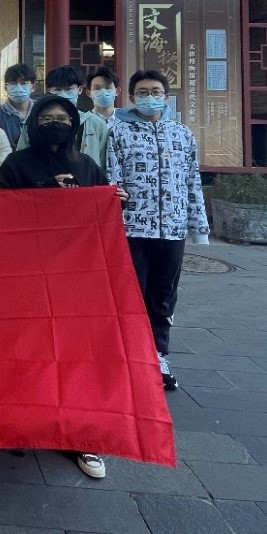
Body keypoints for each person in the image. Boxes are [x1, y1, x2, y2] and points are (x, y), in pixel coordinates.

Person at [0, 93, 127, 481]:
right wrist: (46, 199)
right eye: (47, 117)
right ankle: (23, 423)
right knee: (27, 351)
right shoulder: (16, 164)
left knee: (75, 356)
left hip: (77, 280)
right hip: (28, 276)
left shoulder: (86, 166)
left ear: (74, 125)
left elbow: (100, 218)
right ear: (35, 122)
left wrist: (114, 201)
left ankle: (80, 434)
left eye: (63, 117)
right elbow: (3, 214)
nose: (55, 123)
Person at [107, 69, 209, 393]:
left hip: (172, 229)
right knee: (132, 294)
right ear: (131, 97)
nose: (149, 97)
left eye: (155, 92)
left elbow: (192, 180)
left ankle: (159, 355)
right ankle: (130, 357)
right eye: (142, 92)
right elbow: (111, 178)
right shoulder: (117, 131)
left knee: (163, 296)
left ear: (166, 97)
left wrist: (199, 227)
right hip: (133, 228)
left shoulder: (182, 134)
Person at [16, 65, 85, 151]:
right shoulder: (34, 121)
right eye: (57, 90)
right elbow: (21, 153)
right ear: (50, 91)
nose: (62, 94)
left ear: (80, 89)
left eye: (68, 89)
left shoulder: (92, 122)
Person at [79, 66, 121, 177]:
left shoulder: (126, 123)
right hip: (93, 179)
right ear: (89, 92)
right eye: (97, 88)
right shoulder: (83, 123)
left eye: (108, 88)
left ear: (117, 91)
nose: (103, 92)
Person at [0, 63, 35, 147]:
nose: (18, 87)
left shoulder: (42, 111)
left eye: (23, 83)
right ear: (5, 88)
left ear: (33, 87)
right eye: (13, 83)